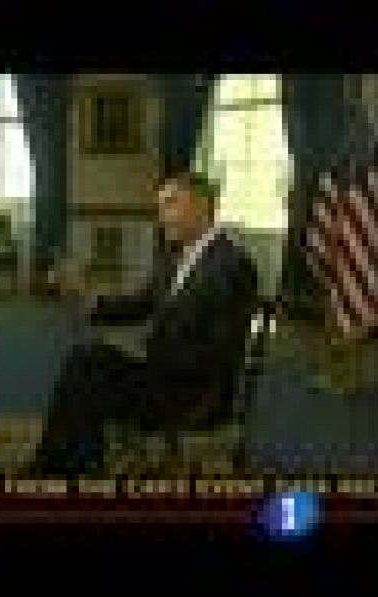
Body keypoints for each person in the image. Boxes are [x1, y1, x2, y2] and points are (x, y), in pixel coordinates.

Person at [30, 171, 260, 475]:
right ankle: (66, 465)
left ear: (201, 206)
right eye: (161, 206)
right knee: (85, 358)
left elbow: (223, 352)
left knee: (89, 371)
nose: (162, 216)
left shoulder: (233, 265)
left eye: (170, 204)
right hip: (162, 376)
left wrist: (151, 353)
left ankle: (66, 467)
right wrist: (88, 300)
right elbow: (142, 304)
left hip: (195, 394)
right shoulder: (174, 256)